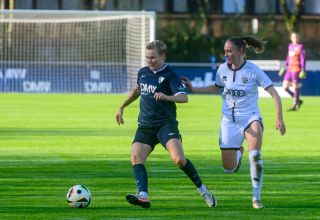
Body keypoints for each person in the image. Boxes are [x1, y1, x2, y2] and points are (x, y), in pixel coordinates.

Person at [181, 36, 286, 209]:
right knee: (228, 168)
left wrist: (279, 117)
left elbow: (274, 93)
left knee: (256, 156)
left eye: (229, 51)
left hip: (250, 117)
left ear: (241, 51)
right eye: (225, 51)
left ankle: (256, 198)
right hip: (229, 122)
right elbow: (217, 87)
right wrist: (194, 89)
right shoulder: (222, 69)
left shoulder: (253, 70)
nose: (226, 54)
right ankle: (239, 152)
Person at [115, 40, 217, 208]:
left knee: (178, 160)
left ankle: (203, 191)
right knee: (136, 157)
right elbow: (137, 90)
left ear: (163, 56)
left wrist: (167, 97)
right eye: (147, 57)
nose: (149, 61)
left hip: (165, 125)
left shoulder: (170, 75)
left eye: (153, 58)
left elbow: (184, 97)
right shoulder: (143, 72)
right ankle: (143, 196)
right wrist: (122, 106)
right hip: (146, 126)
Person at [278, 32, 306, 111]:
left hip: (296, 69)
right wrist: (284, 66)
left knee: (295, 86)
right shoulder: (290, 46)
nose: (295, 39)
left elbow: (302, 58)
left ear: (299, 38)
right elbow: (288, 57)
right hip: (289, 69)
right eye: (294, 37)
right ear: (291, 38)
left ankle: (294, 105)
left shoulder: (300, 47)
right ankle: (298, 100)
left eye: (296, 37)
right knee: (285, 86)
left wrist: (303, 69)